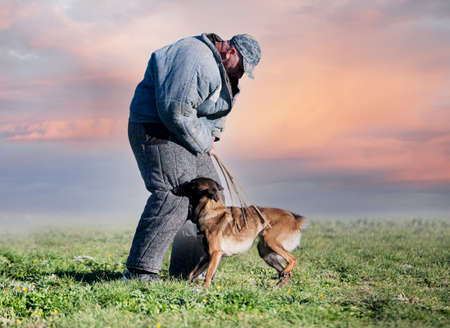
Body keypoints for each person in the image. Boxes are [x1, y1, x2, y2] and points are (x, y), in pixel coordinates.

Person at [124, 33, 261, 282]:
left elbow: (217, 111)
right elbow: (175, 111)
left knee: (212, 195)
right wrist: (203, 140)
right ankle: (139, 272)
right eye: (241, 67)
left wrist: (212, 135)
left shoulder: (221, 69)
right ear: (230, 52)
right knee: (176, 193)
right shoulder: (196, 58)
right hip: (155, 128)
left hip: (185, 133)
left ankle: (187, 273)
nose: (241, 74)